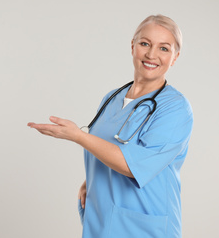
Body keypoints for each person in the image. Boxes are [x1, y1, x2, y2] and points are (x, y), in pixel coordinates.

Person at [27, 14, 193, 238]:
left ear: (175, 57)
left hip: (143, 227)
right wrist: (93, 180)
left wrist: (77, 136)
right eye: (145, 43)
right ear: (132, 46)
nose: (152, 54)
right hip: (103, 220)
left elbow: (133, 165)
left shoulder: (175, 109)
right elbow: (109, 147)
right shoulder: (112, 98)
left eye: (164, 48)